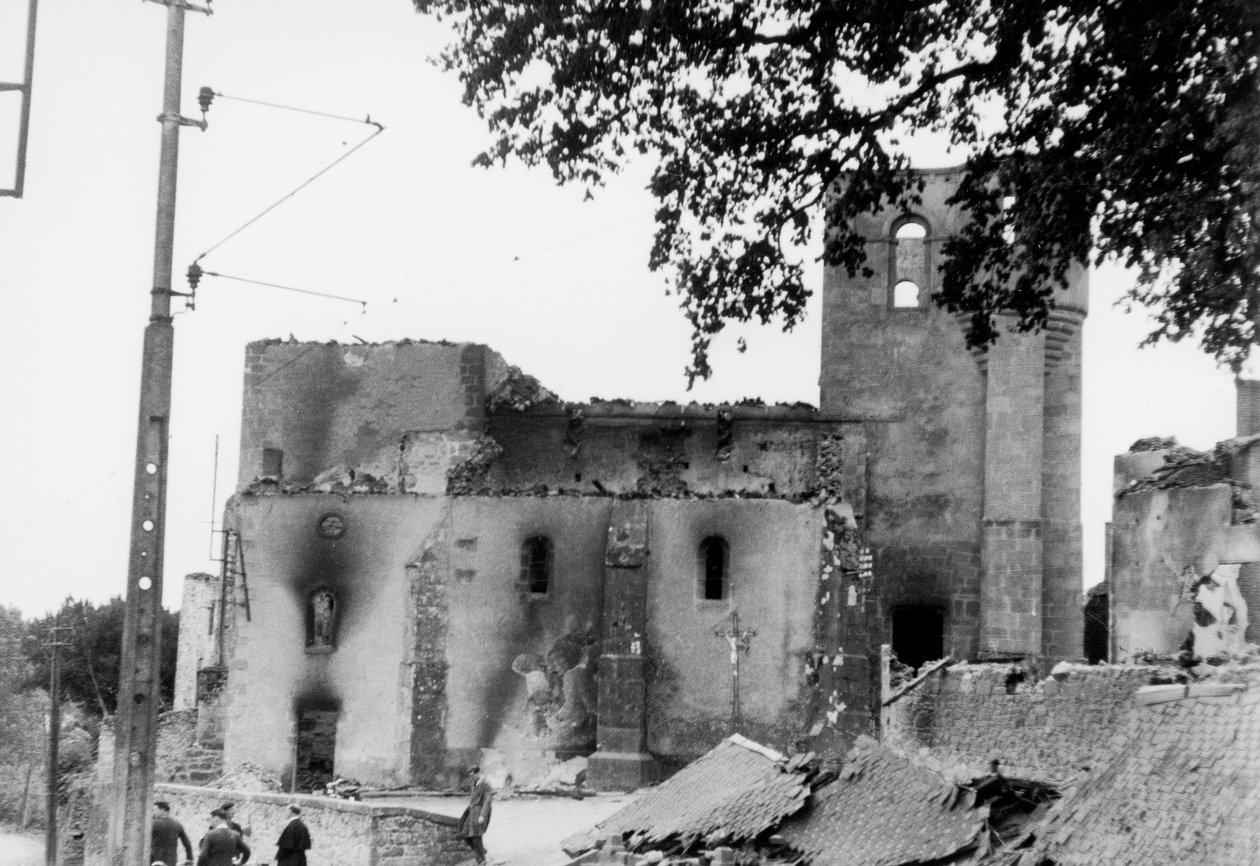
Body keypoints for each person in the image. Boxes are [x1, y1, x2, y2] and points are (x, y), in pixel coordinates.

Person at [456, 766, 493, 865]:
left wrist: (482, 815)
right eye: (470, 776)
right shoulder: (475, 784)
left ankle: (481, 860)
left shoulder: (486, 785)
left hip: (479, 813)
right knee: (464, 834)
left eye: (472, 776)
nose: (471, 778)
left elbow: (487, 800)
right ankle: (482, 851)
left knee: (476, 836)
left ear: (477, 773)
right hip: (471, 813)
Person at [150, 800, 193, 866]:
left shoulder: (153, 824)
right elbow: (187, 845)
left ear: (162, 810)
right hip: (172, 862)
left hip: (156, 862)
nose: (153, 813)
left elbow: (147, 844)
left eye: (155, 810)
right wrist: (189, 860)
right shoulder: (177, 825)